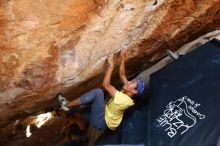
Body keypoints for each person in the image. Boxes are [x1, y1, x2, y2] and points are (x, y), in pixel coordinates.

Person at [57, 48, 145, 145]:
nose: (130, 81)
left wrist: (111, 66)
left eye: (133, 83)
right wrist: (122, 57)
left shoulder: (123, 100)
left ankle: (66, 104)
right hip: (104, 116)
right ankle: (68, 110)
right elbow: (122, 74)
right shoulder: (128, 91)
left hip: (102, 121)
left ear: (134, 91)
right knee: (80, 107)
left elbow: (106, 85)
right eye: (132, 80)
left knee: (98, 93)